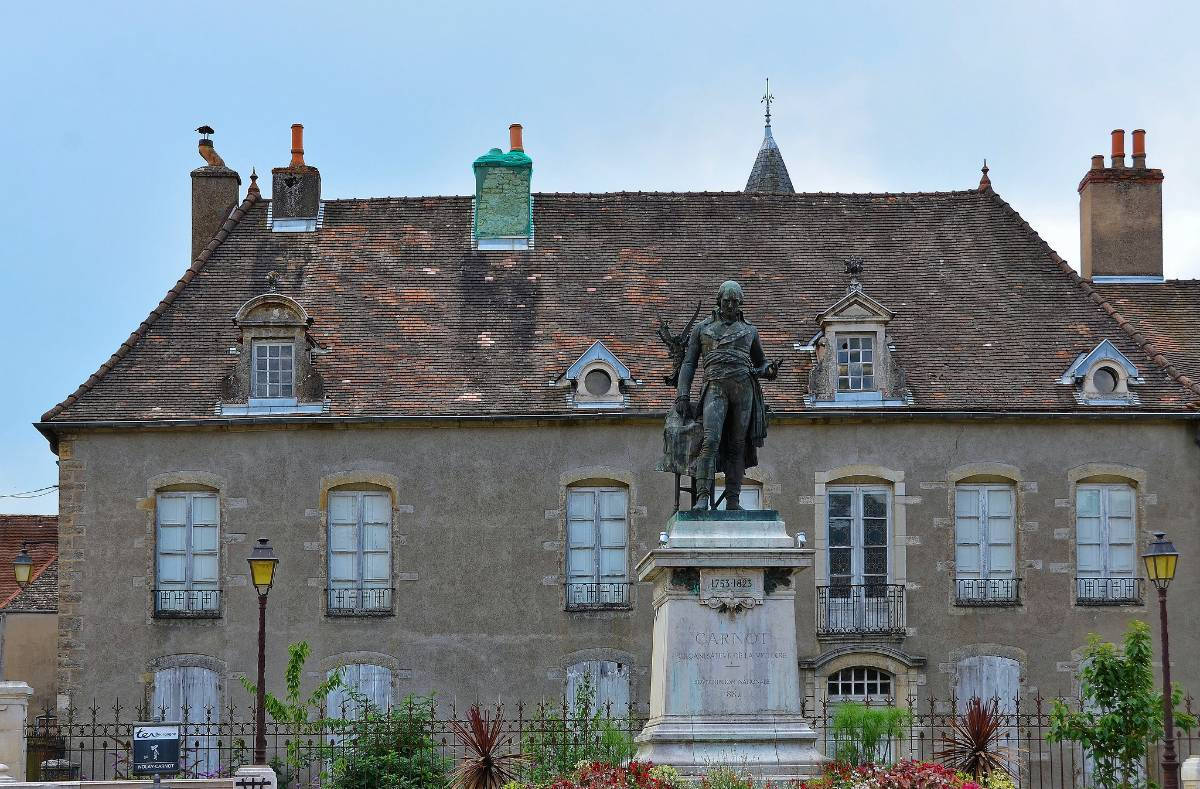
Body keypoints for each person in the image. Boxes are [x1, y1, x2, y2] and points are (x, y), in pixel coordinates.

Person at [674, 280, 778, 510]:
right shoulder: (702, 329)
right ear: (718, 301)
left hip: (743, 388)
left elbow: (761, 362)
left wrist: (769, 370)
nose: (730, 305)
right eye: (727, 301)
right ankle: (702, 497)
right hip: (715, 386)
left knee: (738, 444)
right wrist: (682, 394)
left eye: (735, 302)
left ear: (741, 304)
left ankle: (733, 499)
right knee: (710, 440)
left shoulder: (749, 330)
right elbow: (689, 363)